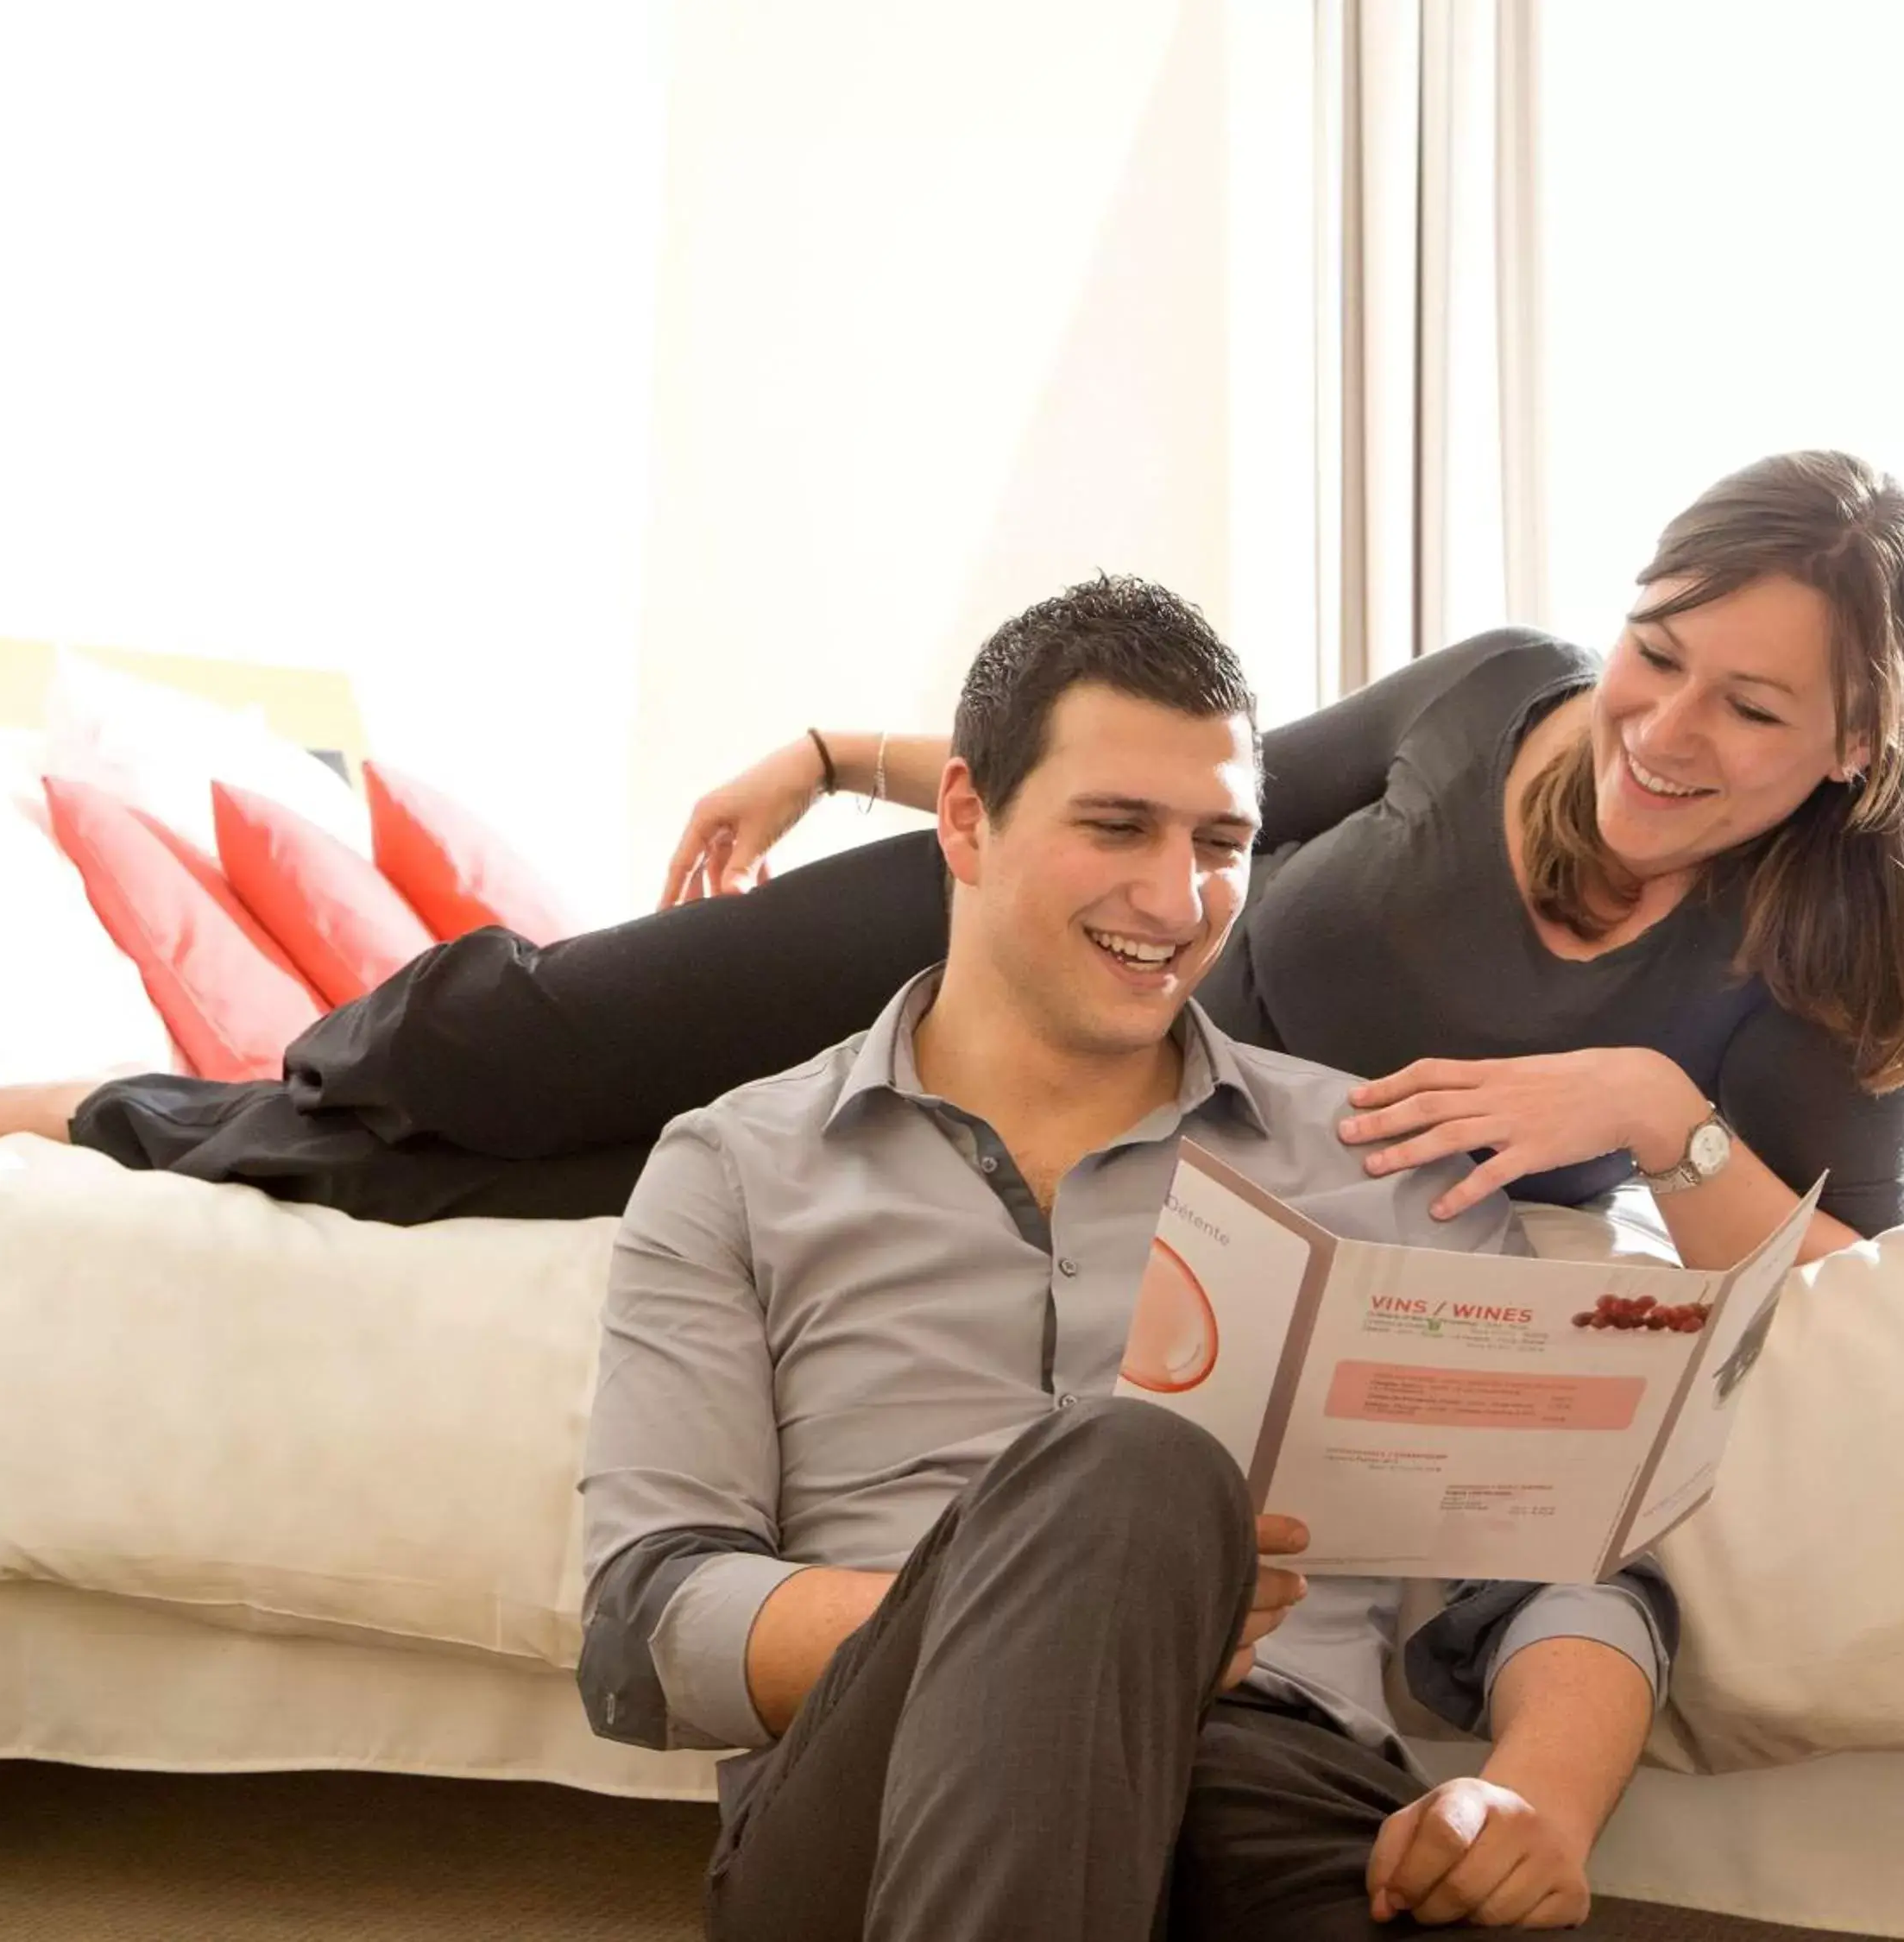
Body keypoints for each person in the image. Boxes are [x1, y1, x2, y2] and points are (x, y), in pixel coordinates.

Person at [0, 450, 1904, 1272]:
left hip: (1120, 1137)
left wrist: (1655, 1117)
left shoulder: (1826, 972)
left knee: (543, 1191)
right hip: (1011, 933)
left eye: (1751, 711)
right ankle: (101, 1091)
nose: (1663, 731)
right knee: (525, 1036)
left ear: (1860, 745)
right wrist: (843, 756)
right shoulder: (1500, 697)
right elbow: (1175, 778)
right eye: (1660, 653)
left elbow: (1850, 1298)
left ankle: (126, 1120)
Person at [579, 580, 1673, 1939]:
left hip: (1272, 1780)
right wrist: (1055, 1602)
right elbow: (647, 1621)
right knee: (1132, 1472)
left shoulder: (1377, 1156)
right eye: (1118, 827)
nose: (1179, 896)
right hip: (878, 1792)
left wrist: (1535, 1802)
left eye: (1223, 840)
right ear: (967, 816)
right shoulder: (735, 1165)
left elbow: (1565, 1559)